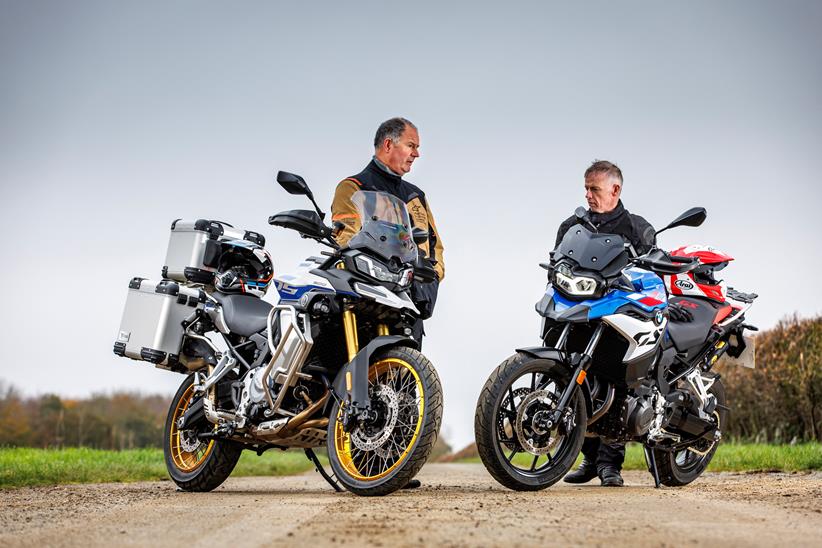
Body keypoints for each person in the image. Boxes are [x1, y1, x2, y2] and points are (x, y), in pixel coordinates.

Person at [558, 160, 654, 488]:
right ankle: (588, 458)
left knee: (618, 388)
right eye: (586, 188)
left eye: (594, 189)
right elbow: (558, 263)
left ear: (615, 190)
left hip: (616, 322)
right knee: (576, 386)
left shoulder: (637, 228)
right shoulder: (572, 224)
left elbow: (650, 275)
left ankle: (610, 466)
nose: (588, 195)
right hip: (576, 317)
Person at [331, 117, 445, 345]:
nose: (416, 154)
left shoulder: (416, 196)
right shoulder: (354, 186)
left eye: (417, 147)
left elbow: (434, 248)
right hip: (367, 297)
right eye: (411, 145)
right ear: (388, 145)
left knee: (408, 376)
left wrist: (428, 279)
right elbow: (345, 238)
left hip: (408, 301)